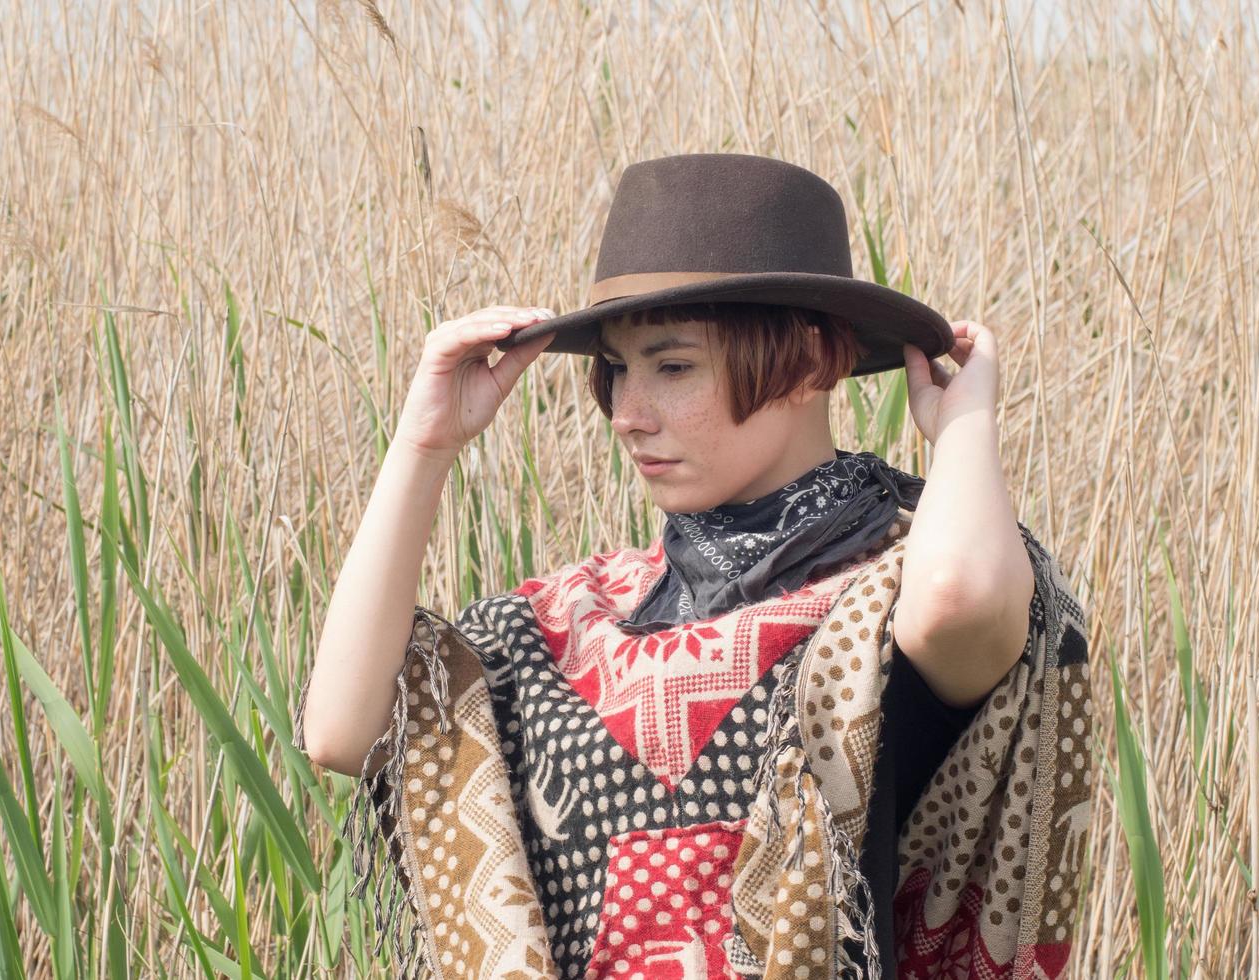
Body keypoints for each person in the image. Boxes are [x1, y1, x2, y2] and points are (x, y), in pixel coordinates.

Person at [293, 154, 1092, 979]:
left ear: (814, 362)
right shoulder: (568, 627)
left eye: (672, 367)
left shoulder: (887, 598)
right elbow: (343, 731)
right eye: (616, 369)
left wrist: (962, 426)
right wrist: (424, 446)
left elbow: (962, 597)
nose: (629, 414)